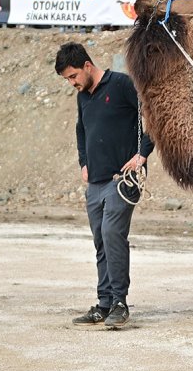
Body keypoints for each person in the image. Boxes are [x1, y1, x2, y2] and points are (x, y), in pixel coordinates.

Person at [55, 42, 154, 328]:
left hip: (122, 180)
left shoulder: (121, 84)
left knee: (112, 234)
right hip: (95, 182)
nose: (71, 83)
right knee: (101, 241)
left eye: (73, 76)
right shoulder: (83, 96)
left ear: (87, 65)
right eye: (67, 79)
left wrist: (142, 154)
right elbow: (81, 130)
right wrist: (83, 162)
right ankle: (104, 303)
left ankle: (120, 302)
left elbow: (152, 117)